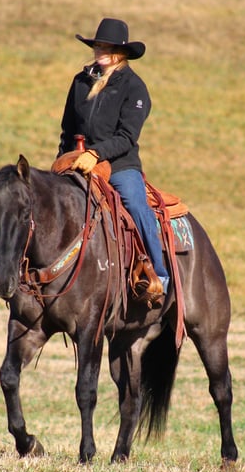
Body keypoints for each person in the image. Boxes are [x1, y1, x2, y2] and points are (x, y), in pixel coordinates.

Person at [58, 17, 169, 304]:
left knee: (134, 203)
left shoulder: (134, 87)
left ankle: (159, 275)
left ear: (122, 52)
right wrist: (63, 159)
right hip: (77, 159)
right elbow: (67, 128)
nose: (100, 51)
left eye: (107, 47)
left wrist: (95, 154)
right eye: (97, 45)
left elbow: (127, 136)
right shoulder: (81, 81)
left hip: (119, 163)